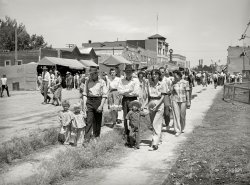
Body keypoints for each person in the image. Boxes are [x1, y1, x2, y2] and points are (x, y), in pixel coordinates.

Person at [83, 67, 108, 142]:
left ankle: (96, 136)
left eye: (93, 74)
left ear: (96, 74)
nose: (91, 76)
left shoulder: (102, 82)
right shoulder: (87, 81)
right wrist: (84, 105)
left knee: (97, 120)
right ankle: (87, 138)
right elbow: (85, 93)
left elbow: (104, 95)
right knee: (89, 120)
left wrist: (101, 106)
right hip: (89, 100)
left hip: (98, 101)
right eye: (90, 74)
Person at [118, 65, 140, 146]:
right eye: (127, 71)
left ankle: (134, 136)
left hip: (133, 100)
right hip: (125, 100)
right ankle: (127, 135)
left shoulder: (136, 80)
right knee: (126, 118)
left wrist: (125, 91)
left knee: (133, 118)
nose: (128, 73)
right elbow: (119, 91)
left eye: (129, 71)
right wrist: (129, 90)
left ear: (132, 72)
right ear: (125, 72)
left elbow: (136, 92)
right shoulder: (122, 80)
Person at [147, 69, 167, 150]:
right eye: (153, 74)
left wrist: (157, 105)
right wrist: (144, 105)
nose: (154, 75)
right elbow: (148, 96)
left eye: (156, 74)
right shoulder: (149, 84)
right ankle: (159, 138)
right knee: (153, 123)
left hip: (159, 103)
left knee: (156, 123)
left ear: (159, 75)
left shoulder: (162, 83)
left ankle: (154, 144)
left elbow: (163, 96)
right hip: (151, 102)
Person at [171, 70, 191, 137]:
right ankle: (177, 130)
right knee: (176, 115)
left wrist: (188, 101)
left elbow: (187, 92)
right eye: (173, 75)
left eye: (175, 75)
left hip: (183, 100)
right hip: (175, 100)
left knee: (182, 115)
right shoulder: (173, 83)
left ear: (179, 75)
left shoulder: (186, 82)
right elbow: (172, 92)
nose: (174, 77)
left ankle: (182, 127)